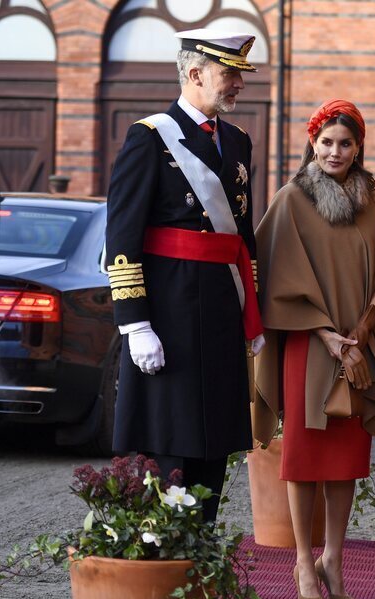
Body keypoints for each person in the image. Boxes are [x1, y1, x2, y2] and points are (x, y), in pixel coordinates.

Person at [253, 100, 375, 599]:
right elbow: (274, 276)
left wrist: (363, 331)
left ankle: (335, 559)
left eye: (346, 143)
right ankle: (303, 560)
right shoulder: (290, 200)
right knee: (303, 457)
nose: (336, 151)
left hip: (359, 347)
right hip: (309, 344)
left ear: (358, 147)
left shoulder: (374, 204)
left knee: (346, 459)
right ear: (313, 143)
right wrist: (329, 337)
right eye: (327, 142)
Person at [105, 29, 264, 522]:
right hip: (168, 318)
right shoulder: (149, 137)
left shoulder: (237, 141)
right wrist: (135, 324)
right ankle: (163, 572)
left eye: (240, 74)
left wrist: (252, 308)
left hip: (219, 312)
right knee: (169, 445)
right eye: (228, 73)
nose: (237, 83)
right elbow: (122, 236)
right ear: (194, 74)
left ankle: (201, 568)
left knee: (214, 442)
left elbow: (241, 235)